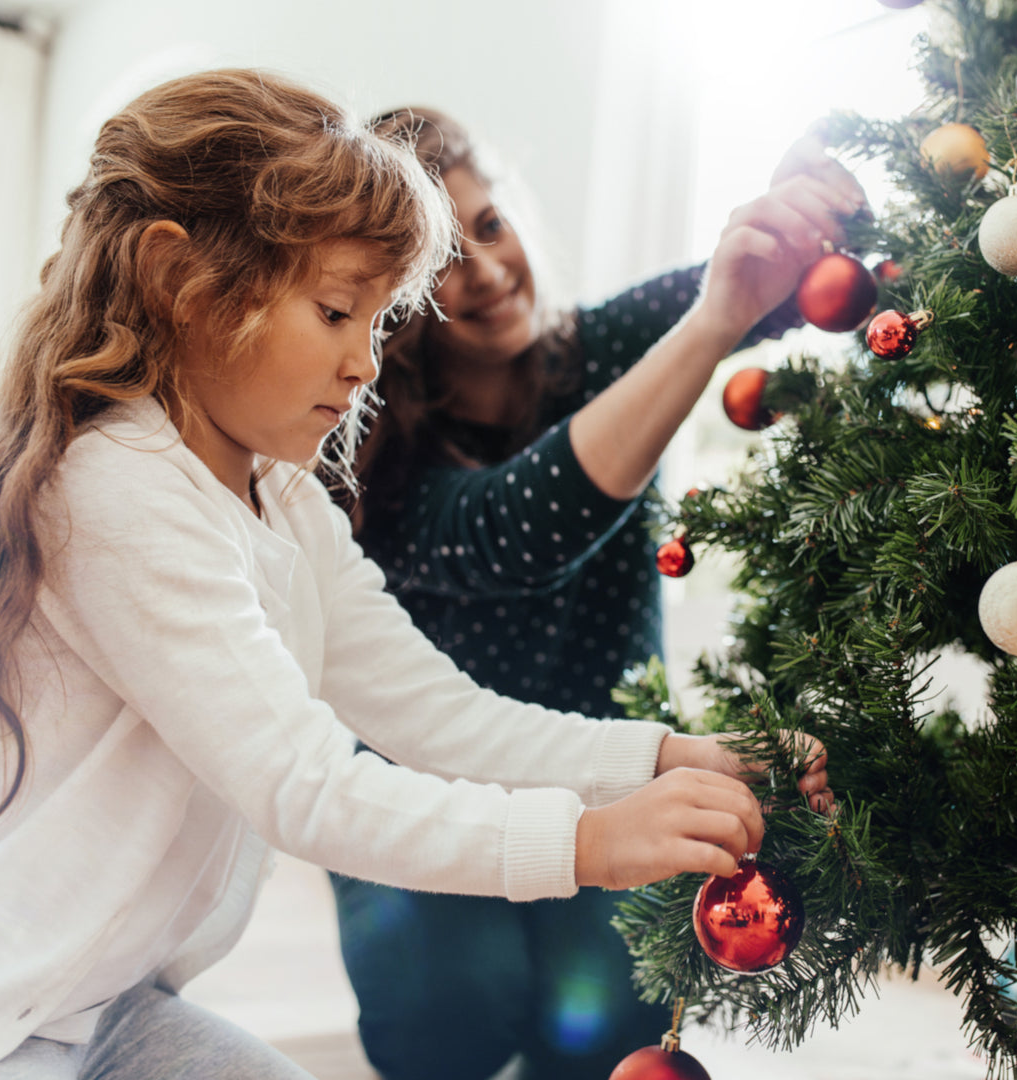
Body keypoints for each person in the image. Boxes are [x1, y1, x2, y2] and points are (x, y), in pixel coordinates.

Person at [0, 69, 832, 1080]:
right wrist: (590, 842)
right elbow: (306, 785)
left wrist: (675, 756)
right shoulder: (115, 486)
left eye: (378, 324)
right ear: (181, 284)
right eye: (338, 311)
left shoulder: (282, 498)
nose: (366, 363)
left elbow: (436, 715)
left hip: (107, 1008)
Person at [326, 107, 859, 1080]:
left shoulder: (601, 342)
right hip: (434, 783)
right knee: (449, 1012)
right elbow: (518, 533)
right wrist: (712, 322)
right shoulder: (372, 458)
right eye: (442, 261)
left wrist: (796, 215)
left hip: (614, 771)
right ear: (388, 306)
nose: (487, 270)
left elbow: (768, 287)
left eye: (491, 226)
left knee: (607, 1022)